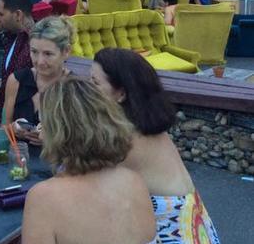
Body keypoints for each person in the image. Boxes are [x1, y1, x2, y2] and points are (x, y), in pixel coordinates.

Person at [91, 48, 221, 244]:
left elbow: (80, 185)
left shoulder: (126, 141)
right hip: (193, 225)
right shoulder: (146, 128)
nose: (87, 90)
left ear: (121, 94)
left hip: (169, 233)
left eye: (94, 83)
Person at [22, 76, 157, 244]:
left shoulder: (43, 197)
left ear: (60, 132)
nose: (41, 134)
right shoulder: (134, 181)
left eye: (43, 124)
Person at [3, 16, 73, 145]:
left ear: (66, 51)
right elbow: (3, 127)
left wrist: (54, 140)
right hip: (19, 160)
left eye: (48, 54)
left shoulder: (74, 88)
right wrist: (12, 128)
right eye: (34, 52)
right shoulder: (16, 81)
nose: (40, 61)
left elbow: (82, 141)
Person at [0, 0, 34, 124]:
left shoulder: (37, 46)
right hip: (4, 125)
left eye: (1, 14)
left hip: (24, 130)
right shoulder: (11, 37)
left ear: (18, 15)